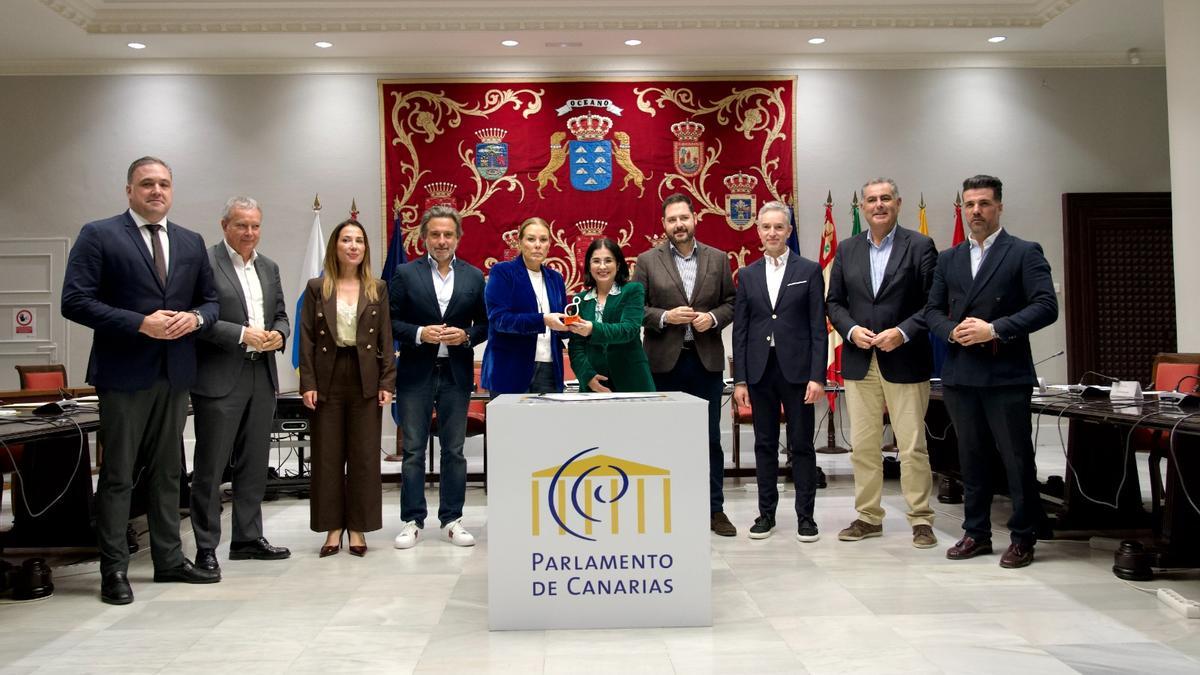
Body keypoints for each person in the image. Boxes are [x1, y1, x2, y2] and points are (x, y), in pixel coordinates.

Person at [61, 156, 220, 604]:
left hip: (176, 373)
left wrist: (194, 319)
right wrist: (138, 323)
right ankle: (114, 570)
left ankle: (169, 560)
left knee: (170, 472)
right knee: (119, 475)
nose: (156, 191)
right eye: (147, 183)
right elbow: (74, 301)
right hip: (124, 373)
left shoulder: (190, 242)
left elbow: (210, 303)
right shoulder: (100, 234)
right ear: (129, 190)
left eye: (164, 184)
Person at [925, 175, 1058, 568]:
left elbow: (1046, 306)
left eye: (983, 204)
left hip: (1005, 373)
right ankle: (976, 532)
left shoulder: (1023, 252)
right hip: (961, 373)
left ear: (999, 206)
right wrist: (952, 331)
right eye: (969, 205)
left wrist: (994, 328)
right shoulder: (948, 259)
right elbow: (931, 311)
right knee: (971, 457)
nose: (976, 212)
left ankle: (1023, 536)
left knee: (1016, 459)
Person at [825, 178, 939, 549]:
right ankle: (868, 517)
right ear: (862, 206)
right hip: (860, 359)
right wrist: (851, 329)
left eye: (885, 198)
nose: (878, 205)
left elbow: (933, 303)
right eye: (871, 200)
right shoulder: (846, 249)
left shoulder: (920, 246)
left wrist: (902, 332)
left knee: (911, 446)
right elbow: (834, 303)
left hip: (904, 358)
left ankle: (921, 519)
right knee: (864, 446)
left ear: (898, 203)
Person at [190, 196, 291, 576]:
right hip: (219, 377)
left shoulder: (269, 267)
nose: (249, 233)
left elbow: (280, 314)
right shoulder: (205, 263)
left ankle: (247, 538)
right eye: (241, 225)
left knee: (253, 463)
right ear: (224, 226)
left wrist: (279, 336)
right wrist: (241, 335)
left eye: (255, 226)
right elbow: (197, 317)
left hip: (261, 375)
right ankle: (205, 546)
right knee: (211, 466)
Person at [634, 193, 736, 536]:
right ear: (664, 225)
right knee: (662, 440)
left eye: (684, 218)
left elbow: (732, 303)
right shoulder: (647, 261)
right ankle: (666, 509)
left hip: (705, 364)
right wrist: (665, 316)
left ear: (695, 219)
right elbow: (637, 308)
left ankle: (714, 509)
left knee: (709, 439)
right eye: (671, 220)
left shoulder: (719, 259)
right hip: (663, 365)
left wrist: (713, 318)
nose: (678, 225)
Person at [389, 206, 488, 550]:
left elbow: (485, 324)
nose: (442, 241)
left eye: (448, 234)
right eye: (435, 234)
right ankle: (412, 520)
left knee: (455, 450)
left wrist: (466, 337)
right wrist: (419, 333)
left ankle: (452, 519)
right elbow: (390, 321)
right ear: (424, 238)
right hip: (416, 372)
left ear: (458, 238)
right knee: (414, 449)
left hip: (456, 374)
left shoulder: (474, 276)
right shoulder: (404, 273)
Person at [299, 219, 396, 557]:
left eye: (359, 241)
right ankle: (332, 528)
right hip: (328, 375)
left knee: (364, 456)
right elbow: (307, 339)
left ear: (365, 249)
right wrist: (307, 382)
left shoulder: (377, 287)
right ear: (335, 247)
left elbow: (386, 336)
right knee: (327, 456)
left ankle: (358, 527)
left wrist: (387, 381)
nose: (353, 246)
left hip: (365, 376)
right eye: (346, 240)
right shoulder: (317, 287)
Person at [731, 202, 827, 542]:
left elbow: (818, 328)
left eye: (779, 227)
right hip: (759, 373)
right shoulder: (747, 274)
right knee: (765, 444)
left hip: (799, 373)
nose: (772, 233)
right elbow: (740, 331)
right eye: (766, 227)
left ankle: (806, 518)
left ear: (788, 231)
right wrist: (740, 379)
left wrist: (819, 376)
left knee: (801, 444)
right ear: (758, 231)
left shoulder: (810, 270)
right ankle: (766, 515)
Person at [481, 217, 569, 395]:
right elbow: (499, 320)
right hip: (509, 368)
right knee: (509, 424)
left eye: (543, 240)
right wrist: (543, 320)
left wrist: (572, 325)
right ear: (520, 243)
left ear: (549, 245)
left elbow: (560, 323)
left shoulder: (555, 278)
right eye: (531, 239)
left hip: (549, 368)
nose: (538, 245)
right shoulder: (503, 272)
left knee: (548, 424)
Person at [566, 238, 655, 393]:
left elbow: (629, 329)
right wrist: (588, 377)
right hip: (593, 384)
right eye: (596, 261)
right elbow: (575, 346)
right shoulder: (579, 300)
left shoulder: (633, 290)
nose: (602, 266)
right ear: (588, 265)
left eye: (608, 260)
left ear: (618, 264)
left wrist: (593, 329)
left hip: (632, 381)